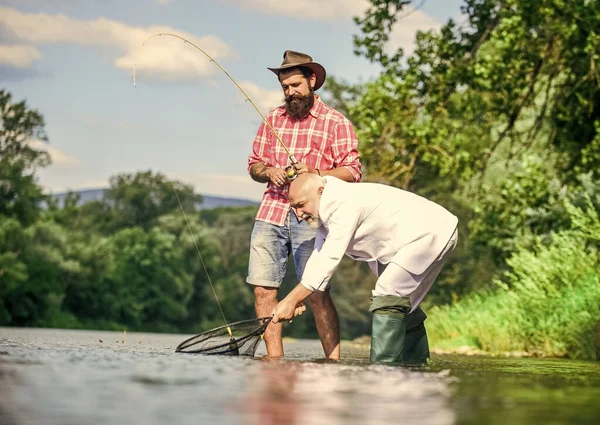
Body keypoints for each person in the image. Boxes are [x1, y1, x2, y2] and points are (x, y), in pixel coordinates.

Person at [247, 50, 362, 359]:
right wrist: (268, 171)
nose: (290, 93)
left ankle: (332, 362)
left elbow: (353, 171)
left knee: (316, 290)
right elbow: (254, 165)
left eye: (295, 85)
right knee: (262, 289)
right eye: (285, 87)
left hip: (311, 218)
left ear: (312, 81)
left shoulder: (336, 122)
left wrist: (316, 174)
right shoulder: (273, 119)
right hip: (270, 212)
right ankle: (274, 361)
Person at [271, 174, 458, 363]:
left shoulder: (344, 204)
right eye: (293, 208)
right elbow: (318, 259)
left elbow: (329, 259)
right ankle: (414, 368)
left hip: (431, 232)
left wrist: (289, 300)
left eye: (301, 205)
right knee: (403, 305)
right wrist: (296, 300)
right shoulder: (324, 214)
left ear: (321, 192)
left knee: (388, 292)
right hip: (404, 244)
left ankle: (383, 370)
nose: (298, 215)